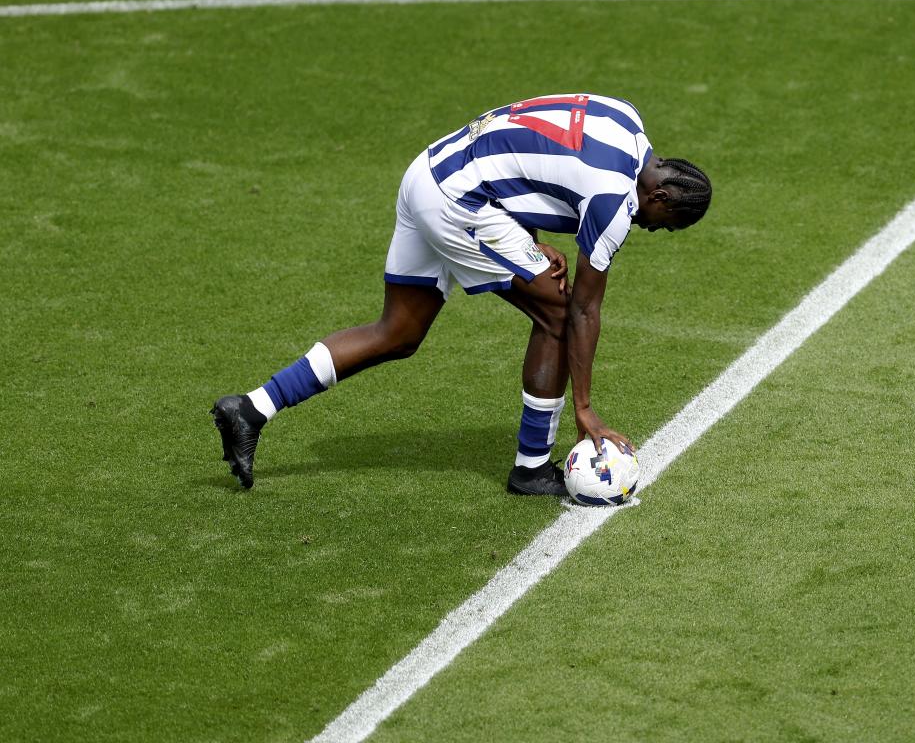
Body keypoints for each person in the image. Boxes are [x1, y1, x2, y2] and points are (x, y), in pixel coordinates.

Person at [210, 93, 711, 496]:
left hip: (430, 171)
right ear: (659, 196)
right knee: (557, 312)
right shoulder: (614, 203)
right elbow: (584, 308)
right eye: (664, 224)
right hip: (460, 203)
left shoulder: (625, 118)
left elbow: (529, 148)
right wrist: (584, 407)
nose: (652, 229)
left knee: (398, 332)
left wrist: (527, 241)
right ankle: (532, 468)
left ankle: (250, 409)